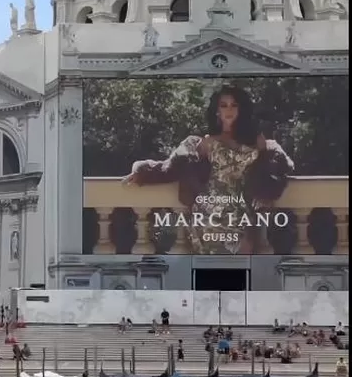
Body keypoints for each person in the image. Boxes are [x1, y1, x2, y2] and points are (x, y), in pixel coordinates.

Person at [123, 84, 293, 254]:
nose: (229, 110)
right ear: (217, 110)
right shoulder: (208, 142)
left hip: (241, 214)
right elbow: (174, 166)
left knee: (241, 266)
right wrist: (144, 172)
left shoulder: (256, 140)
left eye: (234, 105)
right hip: (208, 213)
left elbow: (276, 166)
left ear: (242, 109)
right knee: (212, 270)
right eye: (224, 105)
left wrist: (268, 191)